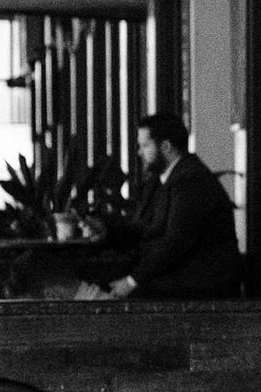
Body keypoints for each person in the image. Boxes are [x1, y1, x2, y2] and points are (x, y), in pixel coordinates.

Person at [78, 114, 244, 300]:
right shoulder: (162, 180)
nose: (139, 152)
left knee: (106, 297)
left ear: (166, 147)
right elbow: (143, 229)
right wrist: (106, 230)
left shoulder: (191, 180)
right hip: (173, 279)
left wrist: (131, 281)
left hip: (198, 287)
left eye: (145, 146)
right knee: (91, 282)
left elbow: (175, 243)